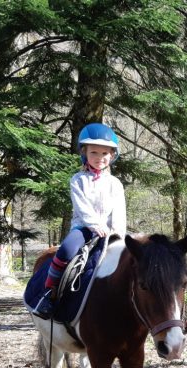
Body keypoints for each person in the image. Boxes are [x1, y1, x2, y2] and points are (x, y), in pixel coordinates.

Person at [33, 123, 127, 319]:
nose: (99, 158)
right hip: (84, 228)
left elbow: (119, 210)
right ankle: (49, 295)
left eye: (104, 153)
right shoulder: (78, 180)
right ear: (84, 153)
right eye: (94, 152)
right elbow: (81, 207)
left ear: (112, 155)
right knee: (66, 249)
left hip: (111, 232)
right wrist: (95, 225)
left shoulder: (115, 184)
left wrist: (118, 233)